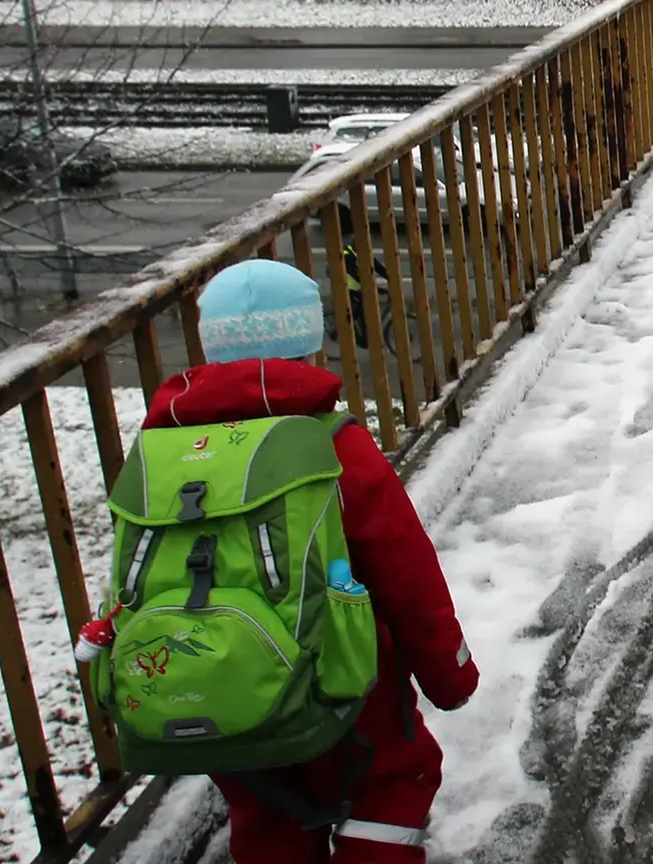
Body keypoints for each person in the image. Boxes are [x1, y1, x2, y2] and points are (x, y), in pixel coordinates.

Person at [153, 259, 479, 863]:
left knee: (267, 809)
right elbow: (405, 572)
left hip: (228, 689)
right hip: (346, 687)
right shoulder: (333, 447)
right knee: (393, 785)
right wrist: (449, 674)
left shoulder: (163, 452)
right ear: (309, 351)